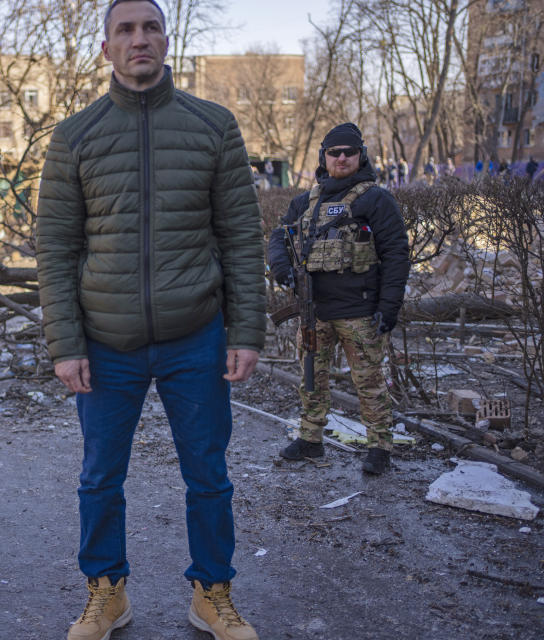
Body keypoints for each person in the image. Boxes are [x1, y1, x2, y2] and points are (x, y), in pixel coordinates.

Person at [36, 2, 265, 639]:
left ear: (167, 40)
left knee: (209, 475)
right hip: (106, 343)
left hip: (197, 334)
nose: (140, 40)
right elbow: (55, 247)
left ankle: (211, 592)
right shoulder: (74, 136)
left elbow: (241, 236)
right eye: (126, 30)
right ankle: (106, 592)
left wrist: (245, 331)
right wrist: (66, 342)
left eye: (151, 28)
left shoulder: (213, 126)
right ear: (106, 48)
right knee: (100, 477)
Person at [267, 123, 410, 475]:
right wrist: (283, 268)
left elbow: (396, 254)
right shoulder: (306, 202)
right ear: (324, 157)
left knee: (370, 383)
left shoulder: (375, 199)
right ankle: (310, 440)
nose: (342, 157)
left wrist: (387, 309)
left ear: (360, 155)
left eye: (349, 152)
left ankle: (380, 448)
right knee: (311, 379)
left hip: (360, 311)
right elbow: (278, 237)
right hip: (314, 310)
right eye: (335, 152)